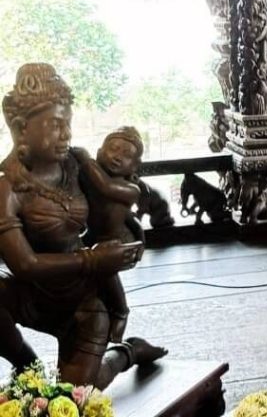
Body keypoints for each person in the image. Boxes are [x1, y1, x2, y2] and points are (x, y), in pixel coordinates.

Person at [0, 64, 164, 387]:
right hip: (29, 293)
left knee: (76, 395)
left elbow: (110, 200)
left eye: (68, 124)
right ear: (21, 129)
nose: (67, 134)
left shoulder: (76, 162)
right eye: (56, 125)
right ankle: (25, 362)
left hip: (82, 301)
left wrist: (129, 233)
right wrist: (93, 260)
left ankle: (128, 352)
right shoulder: (7, 187)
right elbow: (25, 264)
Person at [74, 126, 146, 345]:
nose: (117, 157)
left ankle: (121, 310)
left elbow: (105, 187)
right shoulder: (90, 174)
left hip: (116, 240)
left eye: (126, 155)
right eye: (113, 149)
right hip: (88, 236)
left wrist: (84, 159)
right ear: (99, 152)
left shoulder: (131, 189)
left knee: (106, 269)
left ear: (134, 166)